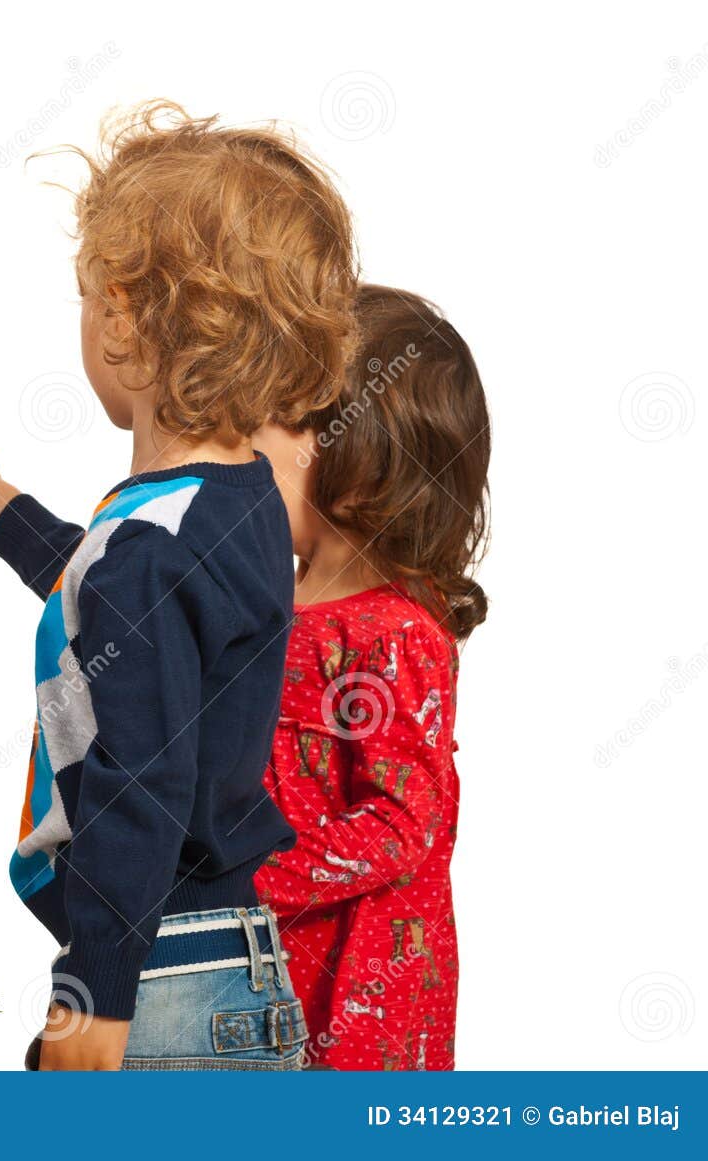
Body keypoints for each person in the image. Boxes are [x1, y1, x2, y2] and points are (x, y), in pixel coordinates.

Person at [0, 102, 358, 1069]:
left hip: (161, 983)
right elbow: (113, 594)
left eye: (87, 296)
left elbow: (141, 777)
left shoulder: (153, 548)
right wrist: (4, 509)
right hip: (233, 964)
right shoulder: (235, 503)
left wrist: (94, 998)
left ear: (121, 317)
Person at [252, 284, 490, 1070]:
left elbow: (399, 822)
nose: (253, 434)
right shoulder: (268, 592)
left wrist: (248, 884)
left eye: (283, 417)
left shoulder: (397, 633)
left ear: (360, 457)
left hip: (355, 1005)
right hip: (264, 975)